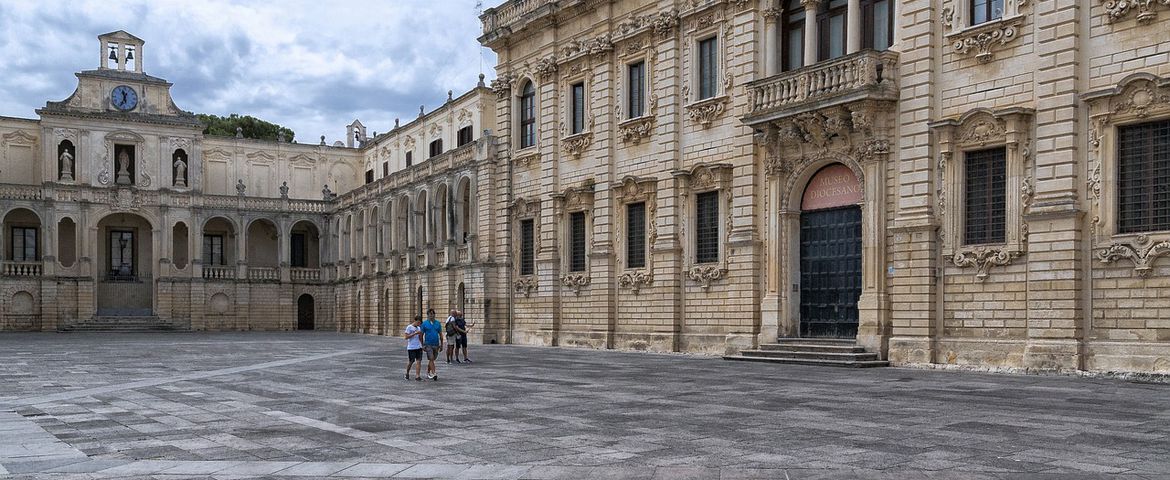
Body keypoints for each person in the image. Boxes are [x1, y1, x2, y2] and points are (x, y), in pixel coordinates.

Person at [419, 308, 444, 380]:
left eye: (432, 314)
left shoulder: (437, 323)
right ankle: (434, 373)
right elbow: (421, 335)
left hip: (436, 344)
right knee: (431, 358)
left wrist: (441, 345)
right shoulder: (424, 324)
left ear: (434, 315)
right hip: (428, 344)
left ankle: (428, 372)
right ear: (427, 315)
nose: (431, 315)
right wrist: (422, 345)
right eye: (430, 314)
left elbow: (440, 334)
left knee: (432, 360)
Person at [403, 315, 423, 381]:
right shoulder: (409, 327)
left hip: (418, 346)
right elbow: (406, 337)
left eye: (420, 323)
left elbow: (420, 338)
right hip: (411, 347)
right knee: (411, 361)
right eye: (418, 322)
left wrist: (422, 344)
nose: (419, 324)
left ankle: (417, 376)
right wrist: (415, 333)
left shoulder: (419, 328)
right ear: (415, 320)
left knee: (419, 361)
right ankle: (407, 373)